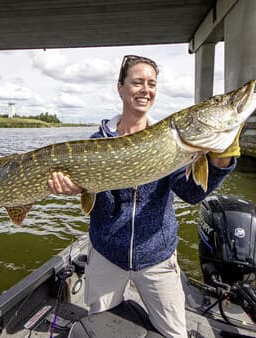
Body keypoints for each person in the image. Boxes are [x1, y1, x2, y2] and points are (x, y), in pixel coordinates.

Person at [47, 55, 240, 338]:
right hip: (106, 255)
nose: (145, 90)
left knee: (175, 333)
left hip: (156, 257)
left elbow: (189, 193)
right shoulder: (97, 143)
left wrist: (219, 162)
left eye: (151, 84)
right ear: (121, 88)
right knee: (100, 329)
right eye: (137, 82)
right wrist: (80, 187)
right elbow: (101, 210)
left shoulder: (170, 139)